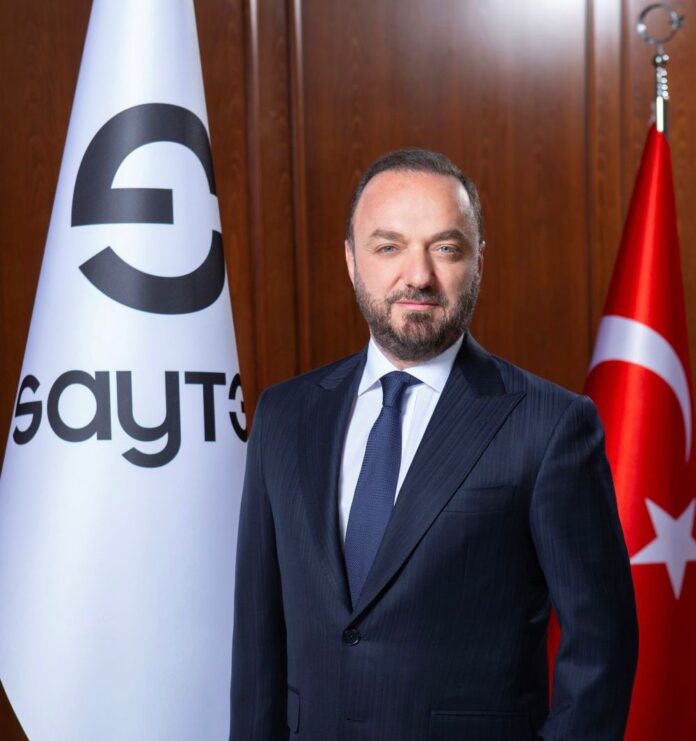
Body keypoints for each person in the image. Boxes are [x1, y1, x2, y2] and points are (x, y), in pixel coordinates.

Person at [230, 148, 638, 740]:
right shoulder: (284, 417)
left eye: (445, 248)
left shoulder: (551, 426)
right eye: (388, 247)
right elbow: (257, 639)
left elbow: (602, 646)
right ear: (351, 260)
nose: (417, 276)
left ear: (478, 263)